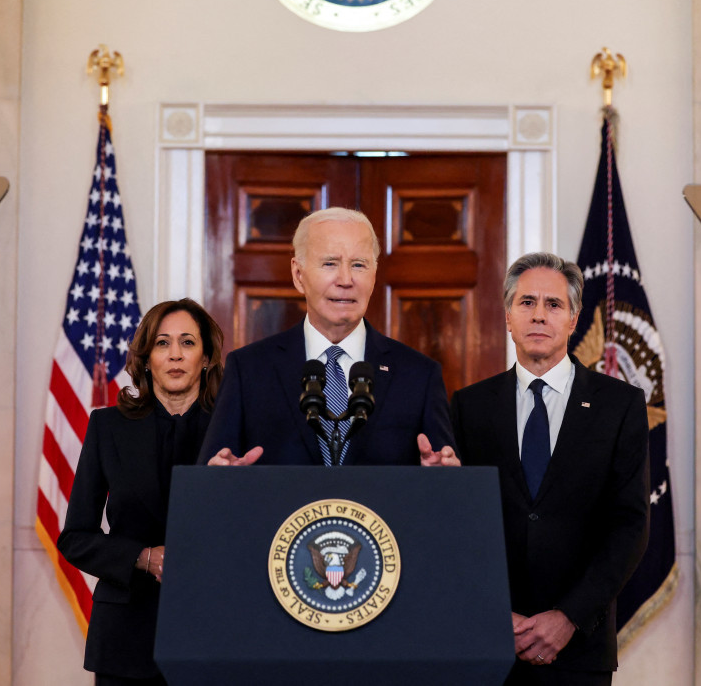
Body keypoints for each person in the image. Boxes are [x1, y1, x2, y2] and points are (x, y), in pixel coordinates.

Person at [451, 253, 649, 686]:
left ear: (574, 318)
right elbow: (458, 529)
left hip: (579, 649)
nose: (539, 315)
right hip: (489, 643)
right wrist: (492, 612)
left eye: (553, 305)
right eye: (526, 303)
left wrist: (568, 617)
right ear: (507, 315)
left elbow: (630, 526)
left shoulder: (620, 406)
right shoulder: (469, 407)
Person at [199, 207, 458, 467]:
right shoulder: (249, 369)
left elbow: (447, 487)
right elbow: (210, 480)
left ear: (374, 274)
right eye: (330, 264)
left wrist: (440, 479)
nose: (345, 280)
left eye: (359, 265)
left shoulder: (419, 375)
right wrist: (223, 479)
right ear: (298, 275)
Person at [58, 298, 224, 686]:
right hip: (126, 636)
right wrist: (143, 557)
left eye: (188, 342)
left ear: (207, 357)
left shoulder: (232, 430)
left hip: (213, 629)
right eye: (163, 343)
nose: (176, 355)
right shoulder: (107, 427)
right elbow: (75, 537)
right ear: (146, 358)